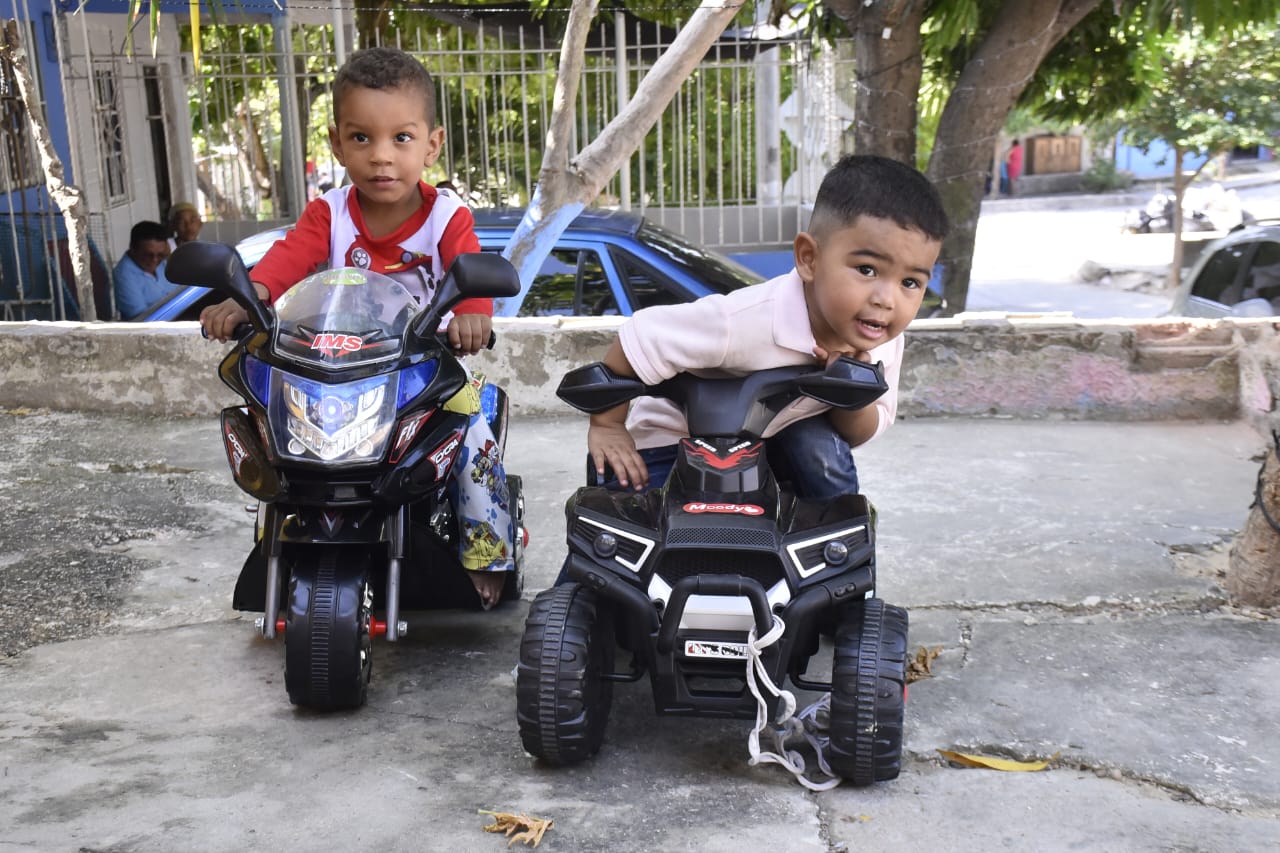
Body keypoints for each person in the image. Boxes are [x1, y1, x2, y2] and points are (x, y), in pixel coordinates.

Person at [199, 46, 514, 609]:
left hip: (423, 373)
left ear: (432, 144)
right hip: (337, 371)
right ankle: (279, 537)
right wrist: (248, 299)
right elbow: (284, 263)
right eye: (362, 138)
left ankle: (487, 550)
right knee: (275, 432)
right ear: (337, 143)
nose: (381, 157)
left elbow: (474, 274)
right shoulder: (330, 213)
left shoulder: (448, 217)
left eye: (402, 138)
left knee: (473, 441)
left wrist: (472, 316)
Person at [585, 154, 949, 499]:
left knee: (818, 446)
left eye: (911, 283)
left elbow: (862, 431)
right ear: (809, 259)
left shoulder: (879, 337)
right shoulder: (742, 321)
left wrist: (849, 388)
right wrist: (608, 425)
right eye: (867, 270)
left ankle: (836, 545)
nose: (887, 300)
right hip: (679, 443)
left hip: (774, 443)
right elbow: (642, 336)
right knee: (643, 531)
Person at [113, 220, 180, 320]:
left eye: (160, 255)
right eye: (148, 255)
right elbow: (141, 319)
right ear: (132, 248)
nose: (155, 260)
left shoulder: (162, 262)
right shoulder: (123, 275)